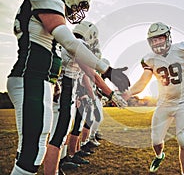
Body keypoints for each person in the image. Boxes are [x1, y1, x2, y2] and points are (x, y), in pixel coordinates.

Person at [7, 0, 128, 174]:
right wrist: (108, 71)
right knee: (33, 153)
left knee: (33, 147)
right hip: (31, 78)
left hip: (37, 79)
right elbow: (70, 44)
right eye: (79, 4)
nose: (77, 10)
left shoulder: (43, 5)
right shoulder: (48, 0)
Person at [122, 22, 184, 175]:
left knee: (182, 139)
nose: (157, 43)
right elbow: (142, 82)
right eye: (153, 40)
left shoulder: (182, 49)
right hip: (164, 104)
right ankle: (159, 156)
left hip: (183, 102)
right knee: (155, 141)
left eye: (159, 39)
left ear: (167, 37)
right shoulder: (149, 59)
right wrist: (127, 94)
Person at [48, 20, 129, 175]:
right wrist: (112, 95)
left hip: (58, 90)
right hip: (65, 92)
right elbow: (92, 76)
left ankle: (59, 164)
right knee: (58, 137)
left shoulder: (66, 41)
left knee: (56, 135)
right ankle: (55, 168)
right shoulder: (79, 45)